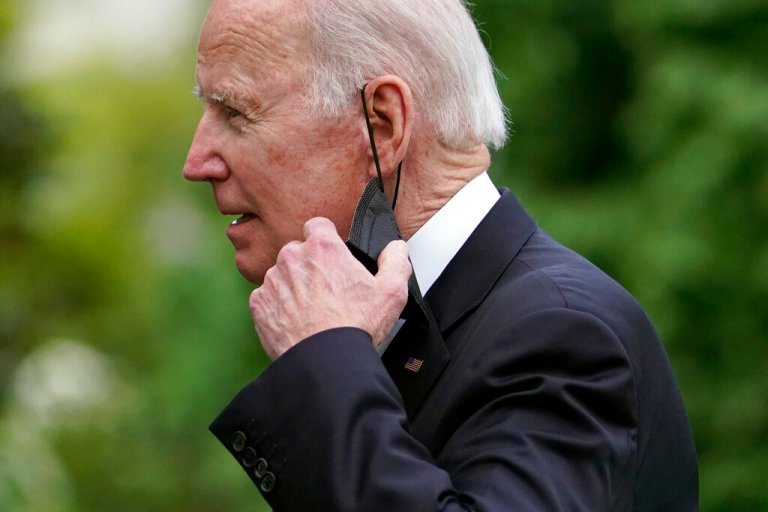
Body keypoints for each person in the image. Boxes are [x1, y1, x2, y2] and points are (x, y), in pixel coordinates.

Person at [182, 0, 699, 510]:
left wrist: (325, 360)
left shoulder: (563, 334)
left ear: (381, 125)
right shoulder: (411, 325)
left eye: (234, 112)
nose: (196, 161)